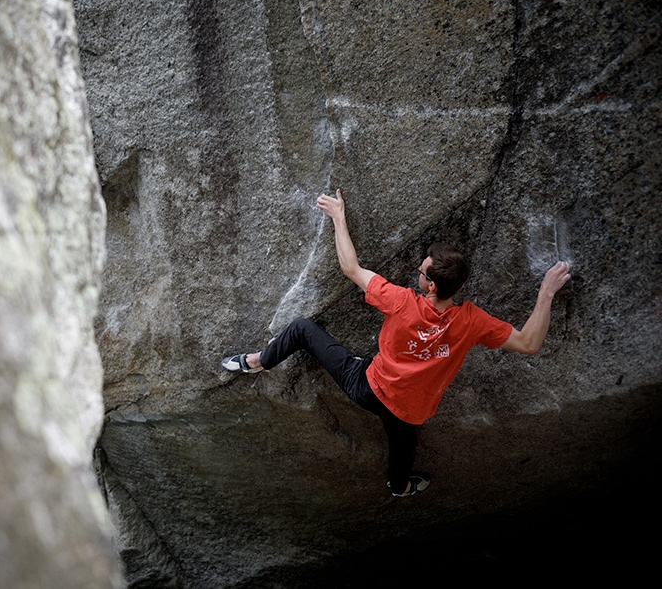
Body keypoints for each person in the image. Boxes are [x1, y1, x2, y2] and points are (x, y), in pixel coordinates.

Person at [222, 189, 572, 497]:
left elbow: (350, 267)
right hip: (410, 411)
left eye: (421, 271)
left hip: (369, 388)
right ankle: (400, 487)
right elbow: (528, 343)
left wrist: (339, 218)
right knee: (402, 449)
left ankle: (257, 362)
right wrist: (546, 293)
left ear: (430, 285)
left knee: (300, 328)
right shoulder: (471, 322)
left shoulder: (401, 301)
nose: (417, 273)